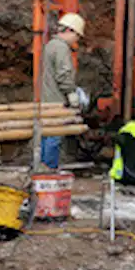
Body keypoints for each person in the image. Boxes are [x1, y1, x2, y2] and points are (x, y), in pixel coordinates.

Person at [40, 13, 85, 169]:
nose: (76, 40)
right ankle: (49, 171)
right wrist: (71, 93)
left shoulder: (50, 45)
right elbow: (63, 74)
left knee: (47, 136)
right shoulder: (61, 48)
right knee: (54, 137)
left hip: (47, 99)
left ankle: (43, 168)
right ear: (70, 30)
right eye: (77, 36)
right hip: (56, 102)